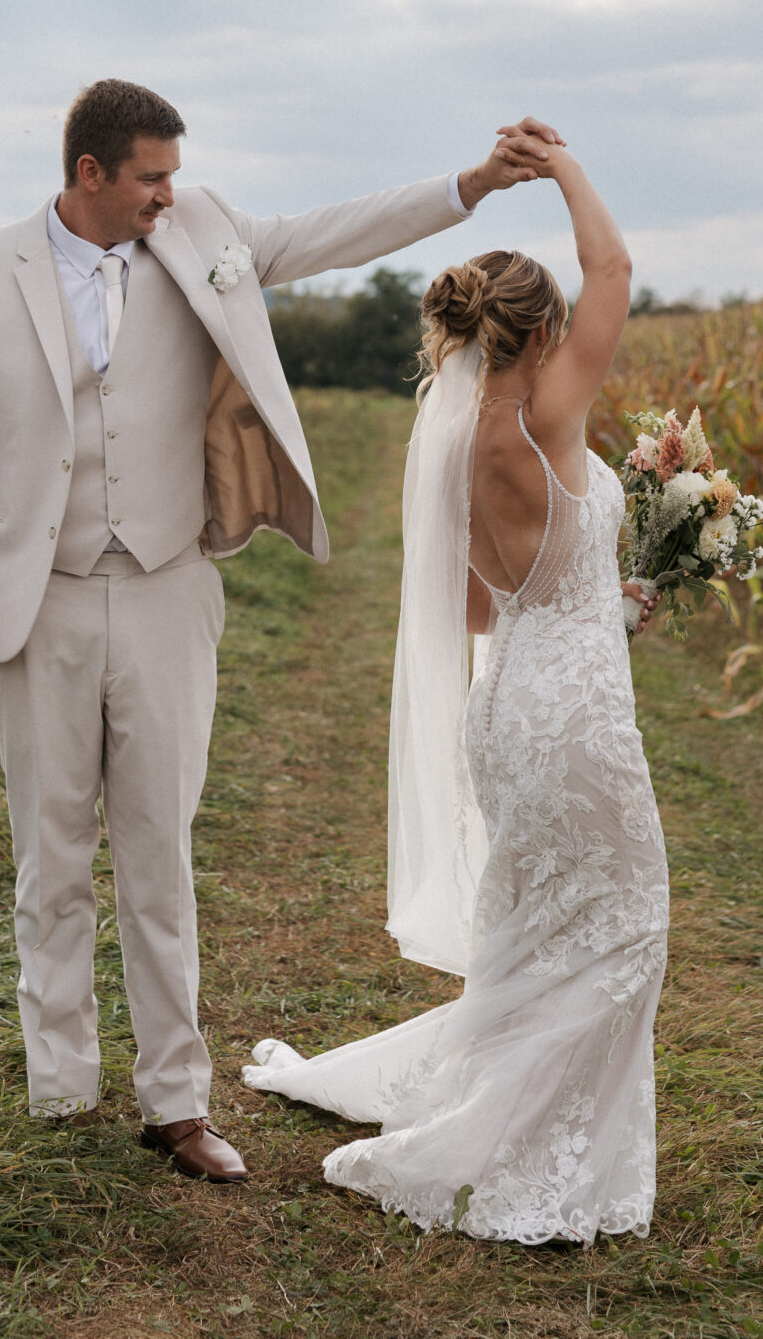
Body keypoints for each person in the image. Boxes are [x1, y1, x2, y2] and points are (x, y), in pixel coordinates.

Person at [0, 76, 547, 1185]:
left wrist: (469, 187)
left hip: (165, 586)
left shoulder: (205, 231)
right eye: (151, 175)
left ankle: (176, 1101)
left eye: (174, 173)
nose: (169, 192)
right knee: (48, 853)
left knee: (159, 851)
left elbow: (333, 232)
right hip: (30, 596)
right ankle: (59, 1085)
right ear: (89, 173)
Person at [244, 130, 671, 1243]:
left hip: (511, 704)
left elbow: (486, 607)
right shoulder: (544, 416)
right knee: (625, 928)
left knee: (535, 938)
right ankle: (545, 1162)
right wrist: (565, 165)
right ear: (543, 335)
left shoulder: (462, 442)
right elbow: (616, 270)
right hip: (573, 713)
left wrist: (604, 601)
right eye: (569, 326)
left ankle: (515, 1120)